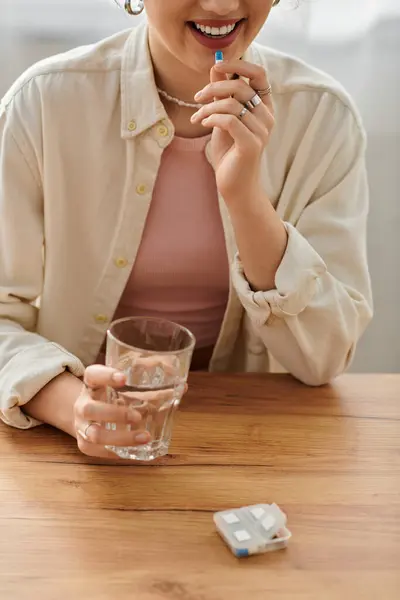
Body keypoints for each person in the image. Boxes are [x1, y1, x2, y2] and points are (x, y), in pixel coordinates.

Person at [0, 0, 373, 458]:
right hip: (68, 448)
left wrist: (246, 199)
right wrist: (75, 406)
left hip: (250, 444)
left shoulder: (322, 118)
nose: (222, 5)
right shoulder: (45, 104)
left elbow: (324, 358)